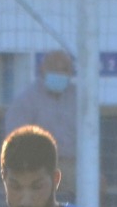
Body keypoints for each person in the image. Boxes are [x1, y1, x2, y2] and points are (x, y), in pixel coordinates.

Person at [4, 49, 79, 190]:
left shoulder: (79, 98)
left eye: (64, 70)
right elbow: (15, 139)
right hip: (40, 164)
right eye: (53, 68)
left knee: (96, 184)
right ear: (42, 69)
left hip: (74, 164)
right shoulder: (25, 99)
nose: (59, 73)